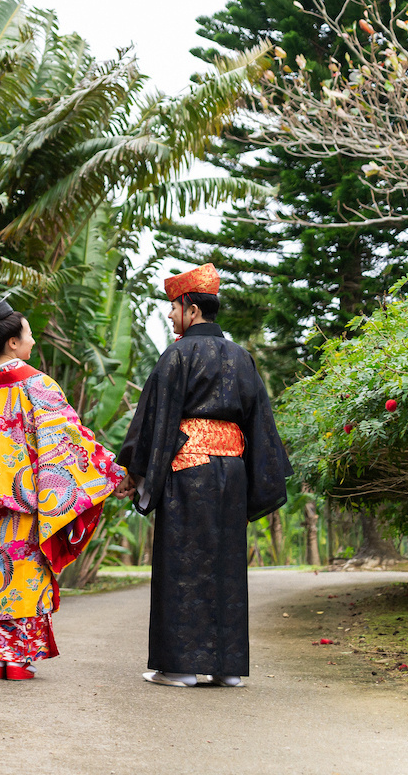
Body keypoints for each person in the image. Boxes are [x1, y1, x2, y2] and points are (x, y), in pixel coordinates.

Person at [116, 263, 291, 688]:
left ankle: (179, 667)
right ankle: (227, 668)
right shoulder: (241, 358)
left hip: (186, 469)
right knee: (226, 564)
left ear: (190, 308)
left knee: (183, 564)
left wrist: (133, 470)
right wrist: (256, 478)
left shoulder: (176, 355)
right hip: (231, 472)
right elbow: (259, 424)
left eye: (174, 309)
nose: (171, 317)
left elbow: (154, 420)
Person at [0, 298, 123, 680]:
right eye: (28, 335)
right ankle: (19, 659)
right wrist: (111, 471)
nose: (32, 342)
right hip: (28, 504)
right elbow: (70, 438)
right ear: (12, 342)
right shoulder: (37, 385)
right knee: (24, 576)